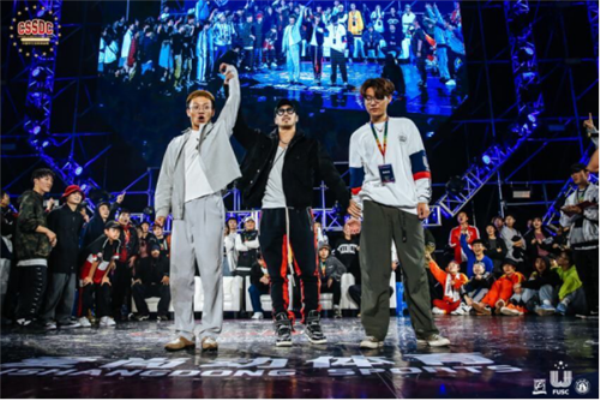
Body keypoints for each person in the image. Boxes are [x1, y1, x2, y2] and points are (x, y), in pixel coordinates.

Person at [232, 98, 350, 347]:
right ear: (275, 118)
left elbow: (330, 174)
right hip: (270, 213)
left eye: (290, 111)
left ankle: (312, 320)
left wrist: (346, 199)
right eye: (281, 112)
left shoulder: (309, 145)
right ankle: (282, 321)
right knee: (276, 273)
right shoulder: (263, 143)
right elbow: (238, 127)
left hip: (299, 212)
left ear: (296, 117)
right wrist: (233, 89)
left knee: (309, 270)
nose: (285, 114)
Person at [348, 78, 450, 349]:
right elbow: (356, 179)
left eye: (378, 97)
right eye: (368, 98)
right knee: (375, 271)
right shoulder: (358, 136)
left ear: (389, 98)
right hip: (374, 205)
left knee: (415, 270)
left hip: (407, 206)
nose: (373, 102)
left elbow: (420, 165)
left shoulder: (406, 126)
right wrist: (355, 211)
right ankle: (374, 333)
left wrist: (423, 197)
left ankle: (427, 331)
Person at [154, 63, 240, 352]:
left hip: (209, 207)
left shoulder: (218, 132)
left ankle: (210, 332)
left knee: (211, 271)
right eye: (196, 107)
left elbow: (233, 105)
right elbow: (165, 179)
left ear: (212, 112)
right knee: (179, 275)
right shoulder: (176, 143)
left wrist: (233, 80)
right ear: (188, 111)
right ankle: (184, 332)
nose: (201, 111)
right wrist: (161, 212)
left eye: (206, 107)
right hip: (181, 212)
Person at [14, 169, 56, 329]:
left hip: (37, 251)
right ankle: (25, 318)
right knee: (36, 286)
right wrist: (48, 231)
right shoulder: (29, 197)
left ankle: (26, 318)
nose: (49, 183)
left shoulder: (38, 200)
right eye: (45, 179)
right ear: (36, 180)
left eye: (51, 180)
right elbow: (25, 221)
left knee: (34, 287)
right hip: (30, 251)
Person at [40, 185, 86, 330]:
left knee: (70, 291)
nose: (77, 196)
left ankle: (64, 318)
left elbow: (77, 236)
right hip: (58, 256)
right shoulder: (56, 213)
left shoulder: (79, 217)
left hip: (73, 256)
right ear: (66, 196)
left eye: (79, 194)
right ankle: (47, 318)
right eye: (74, 193)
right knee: (55, 289)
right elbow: (48, 234)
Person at [560, 162, 599, 315]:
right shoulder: (570, 197)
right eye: (572, 173)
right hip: (577, 243)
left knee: (597, 277)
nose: (574, 175)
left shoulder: (597, 192)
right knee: (585, 278)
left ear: (587, 173)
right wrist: (571, 212)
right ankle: (592, 309)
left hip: (595, 242)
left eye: (578, 172)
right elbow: (564, 222)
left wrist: (583, 212)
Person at [78, 221, 121, 328]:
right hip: (89, 269)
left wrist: (105, 276)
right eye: (113, 230)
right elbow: (95, 260)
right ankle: (82, 316)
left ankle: (103, 316)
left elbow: (112, 260)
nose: (116, 233)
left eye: (118, 231)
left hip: (101, 270)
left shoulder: (117, 243)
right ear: (106, 231)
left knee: (105, 288)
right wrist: (89, 277)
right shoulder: (102, 241)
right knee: (87, 288)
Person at [112, 209, 139, 321]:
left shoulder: (132, 230)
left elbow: (136, 245)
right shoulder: (114, 228)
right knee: (115, 288)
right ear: (118, 216)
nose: (126, 217)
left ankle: (126, 312)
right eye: (123, 215)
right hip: (115, 263)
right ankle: (114, 312)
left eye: (128, 215)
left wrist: (134, 256)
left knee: (126, 288)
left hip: (127, 263)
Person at [132, 244, 171, 321]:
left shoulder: (165, 260)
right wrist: (138, 278)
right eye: (153, 250)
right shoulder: (144, 261)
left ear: (159, 251)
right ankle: (143, 313)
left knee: (167, 288)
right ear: (150, 251)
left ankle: (162, 314)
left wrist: (167, 275)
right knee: (135, 287)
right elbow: (138, 273)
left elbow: (172, 271)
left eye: (157, 250)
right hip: (147, 286)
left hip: (159, 286)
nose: (155, 252)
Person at [317, 243, 346, 318]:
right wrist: (317, 279)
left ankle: (336, 307)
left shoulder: (333, 259)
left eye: (325, 250)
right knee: (311, 284)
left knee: (337, 281)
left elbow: (343, 268)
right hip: (318, 284)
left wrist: (332, 277)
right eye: (321, 250)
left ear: (329, 251)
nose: (323, 252)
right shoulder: (315, 261)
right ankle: (313, 309)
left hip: (329, 283)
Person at [553, 251, 587, 316]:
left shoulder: (575, 270)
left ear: (567, 261)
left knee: (575, 288)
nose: (557, 258)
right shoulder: (560, 270)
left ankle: (564, 303)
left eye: (560, 257)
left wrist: (561, 296)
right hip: (568, 301)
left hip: (579, 299)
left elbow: (568, 283)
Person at [282, 6, 305, 85]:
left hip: (294, 46)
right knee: (289, 64)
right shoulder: (287, 28)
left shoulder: (296, 26)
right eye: (290, 19)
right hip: (288, 48)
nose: (291, 20)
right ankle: (290, 77)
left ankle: (296, 78)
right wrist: (284, 48)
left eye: (292, 19)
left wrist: (302, 11)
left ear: (294, 20)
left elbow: (300, 19)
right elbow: (284, 39)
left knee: (296, 63)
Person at [327, 14, 348, 87]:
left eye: (334, 22)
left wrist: (343, 47)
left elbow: (344, 38)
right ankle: (333, 80)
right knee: (333, 66)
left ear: (337, 20)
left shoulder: (341, 27)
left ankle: (345, 81)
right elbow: (325, 24)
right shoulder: (330, 26)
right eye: (332, 22)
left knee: (342, 66)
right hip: (332, 48)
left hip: (340, 49)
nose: (333, 23)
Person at [248, 253, 270, 320]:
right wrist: (261, 280)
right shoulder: (254, 267)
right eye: (261, 260)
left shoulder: (272, 265)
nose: (263, 261)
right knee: (252, 288)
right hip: (260, 287)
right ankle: (258, 311)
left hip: (271, 287)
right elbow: (253, 281)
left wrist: (269, 280)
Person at [306, 12, 325, 85]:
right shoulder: (311, 24)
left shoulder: (322, 24)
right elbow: (307, 32)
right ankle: (315, 76)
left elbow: (322, 31)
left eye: (318, 17)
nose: (317, 18)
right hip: (312, 44)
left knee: (319, 61)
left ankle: (319, 76)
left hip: (319, 45)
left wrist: (316, 27)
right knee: (313, 62)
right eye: (316, 17)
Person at [411, 19, 428, 88]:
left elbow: (420, 41)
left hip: (420, 52)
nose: (412, 22)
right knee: (419, 66)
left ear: (416, 22)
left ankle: (424, 81)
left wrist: (419, 51)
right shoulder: (416, 31)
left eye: (413, 21)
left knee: (421, 66)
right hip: (417, 52)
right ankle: (422, 80)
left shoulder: (419, 31)